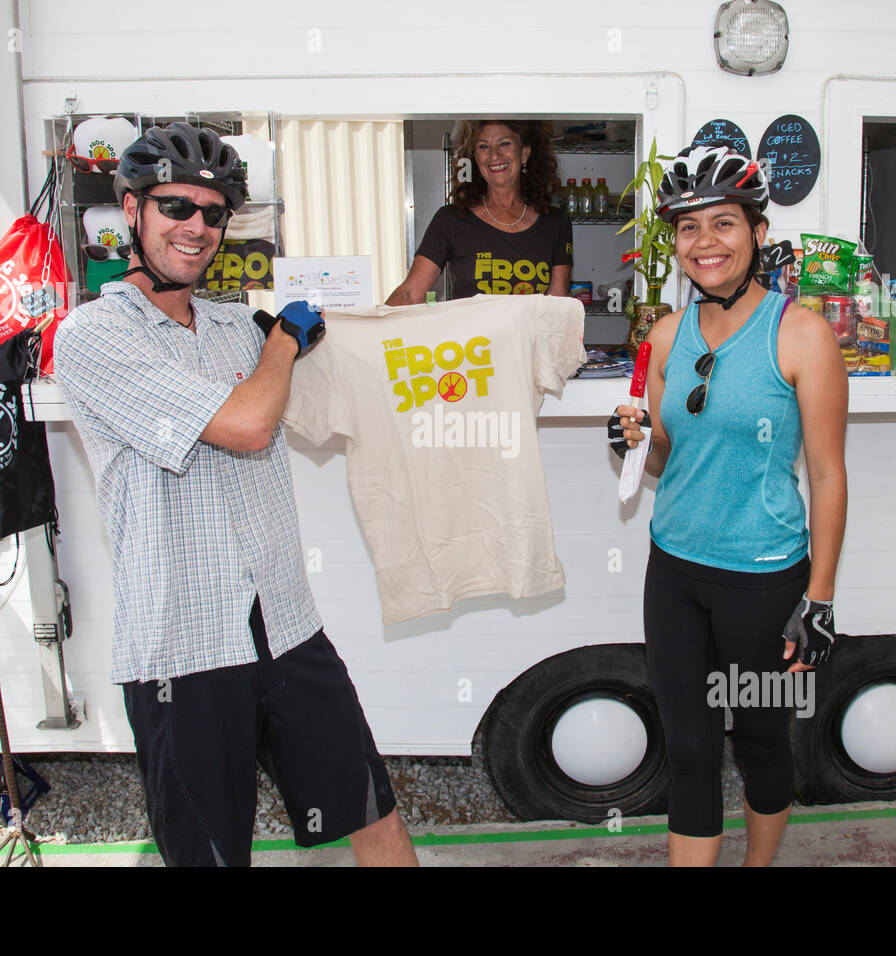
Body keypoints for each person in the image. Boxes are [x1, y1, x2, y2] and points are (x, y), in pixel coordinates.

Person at [53, 122, 417, 867]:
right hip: (181, 646)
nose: (196, 227)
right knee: (214, 856)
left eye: (213, 213)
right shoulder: (92, 335)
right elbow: (250, 424)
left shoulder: (233, 327)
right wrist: (284, 340)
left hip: (284, 623)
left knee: (373, 814)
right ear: (131, 212)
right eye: (175, 208)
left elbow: (350, 375)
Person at [611, 144, 848, 867]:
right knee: (687, 749)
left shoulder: (802, 334)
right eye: (688, 228)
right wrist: (633, 443)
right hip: (675, 570)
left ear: (757, 234)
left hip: (763, 579)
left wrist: (820, 602)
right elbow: (663, 460)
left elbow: (830, 476)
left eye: (723, 224)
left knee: (760, 739)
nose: (704, 242)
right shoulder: (662, 337)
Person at [386, 119, 572, 303]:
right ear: (475, 157)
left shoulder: (555, 222)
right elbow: (409, 294)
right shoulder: (451, 219)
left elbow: (559, 301)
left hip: (531, 335)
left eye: (504, 143)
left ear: (524, 153)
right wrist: (368, 326)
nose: (494, 156)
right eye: (483, 147)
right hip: (471, 335)